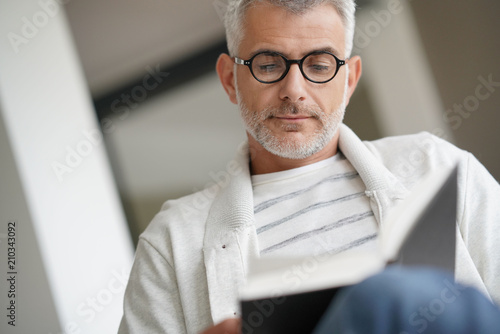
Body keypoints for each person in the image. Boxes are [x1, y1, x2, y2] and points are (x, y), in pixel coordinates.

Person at [118, 1, 500, 333]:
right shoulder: (170, 243)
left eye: (319, 65)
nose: (294, 89)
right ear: (229, 79)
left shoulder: (442, 168)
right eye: (268, 65)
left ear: (349, 80)